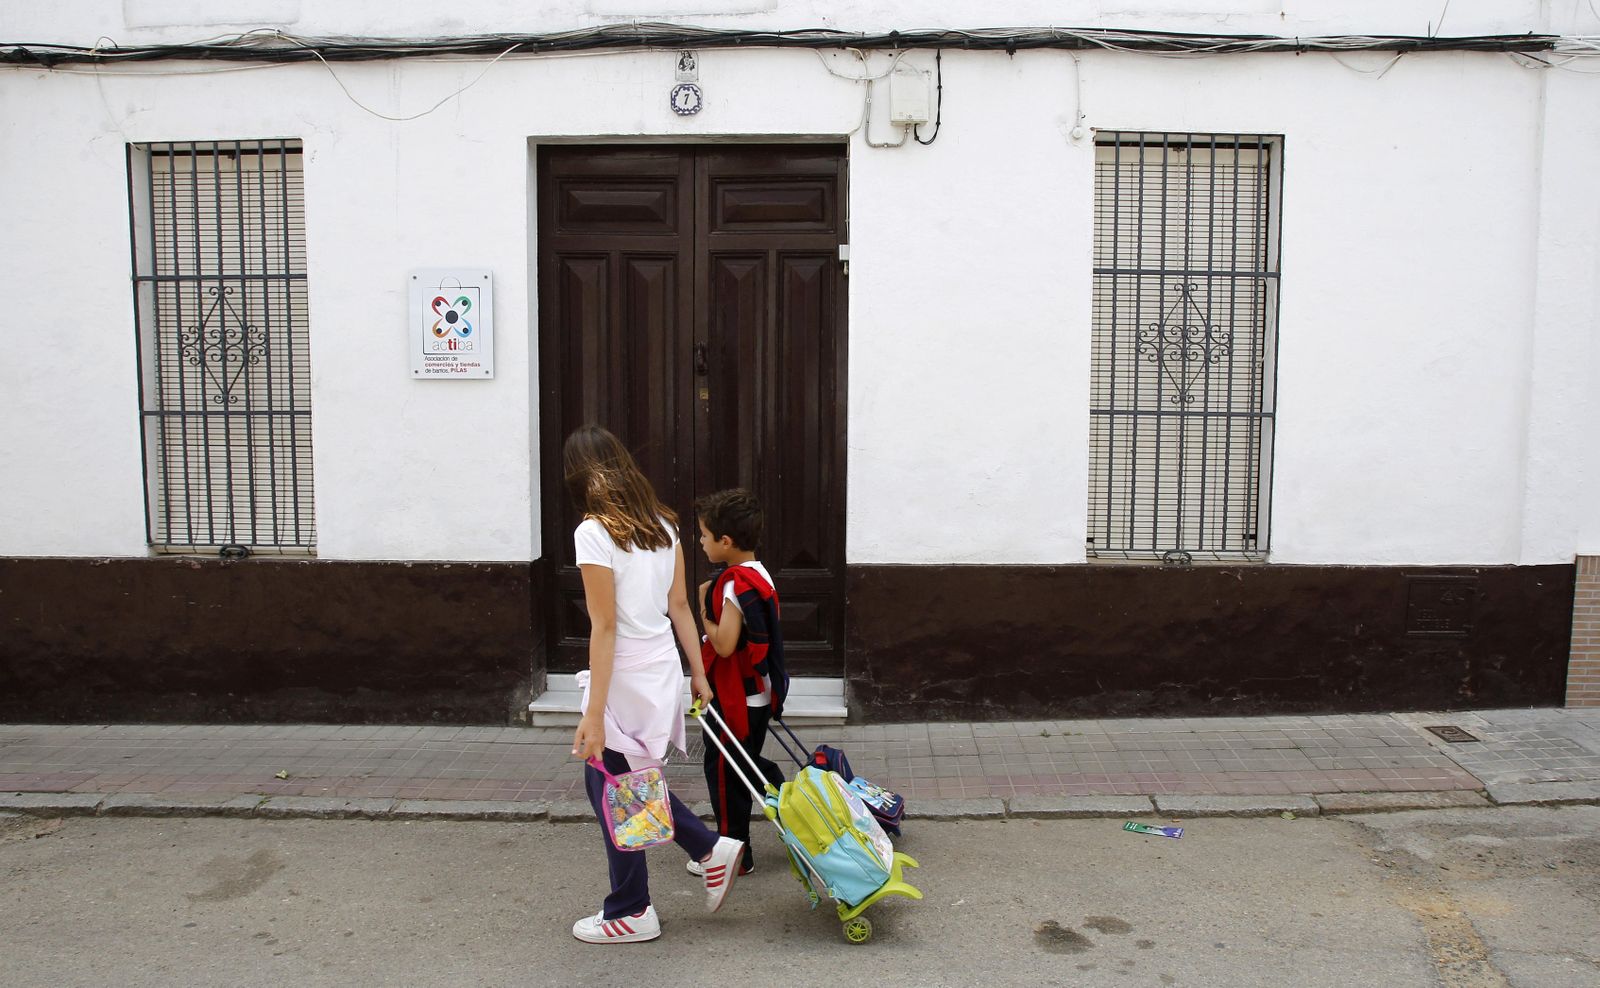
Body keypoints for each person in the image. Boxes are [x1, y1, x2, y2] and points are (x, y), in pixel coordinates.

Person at [565, 425, 745, 945]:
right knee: (620, 781)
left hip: (624, 675)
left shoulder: (594, 532)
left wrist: (593, 714)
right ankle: (698, 855)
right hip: (659, 667)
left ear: (578, 476)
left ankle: (637, 905)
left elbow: (604, 626)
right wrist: (698, 673)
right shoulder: (663, 524)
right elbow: (680, 606)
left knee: (613, 784)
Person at [692, 488, 789, 878]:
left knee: (724, 773)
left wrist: (703, 608)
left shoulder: (733, 584)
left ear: (726, 541)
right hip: (758, 695)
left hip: (735, 699)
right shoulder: (759, 573)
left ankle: (736, 854)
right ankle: (775, 798)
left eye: (704, 535)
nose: (700, 541)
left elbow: (725, 644)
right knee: (740, 765)